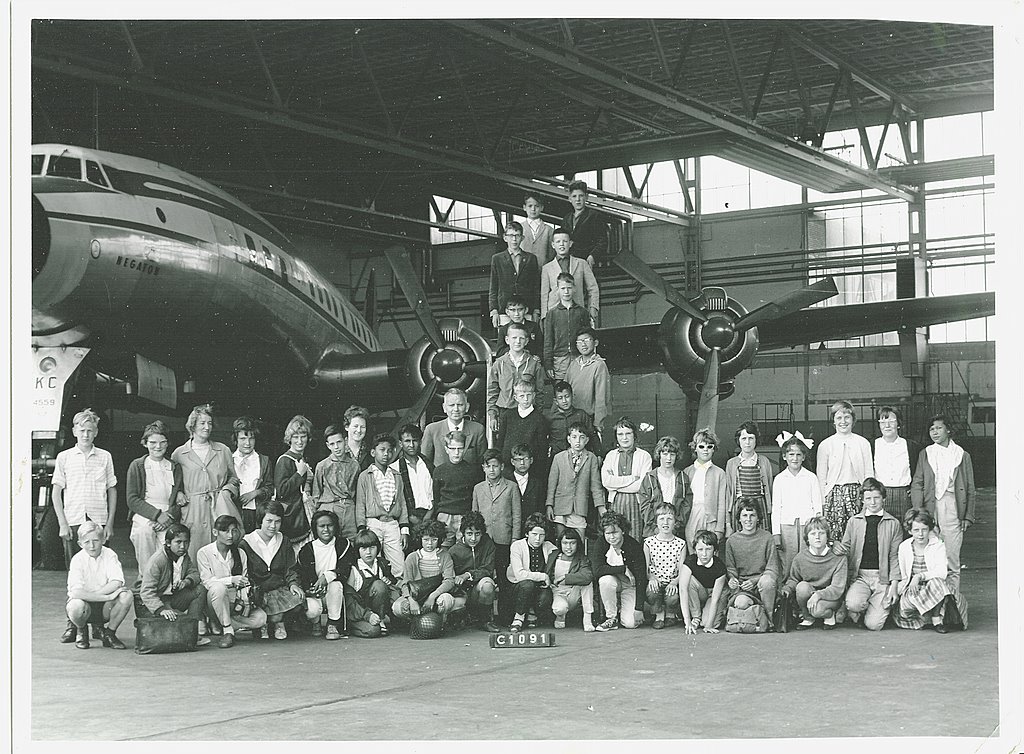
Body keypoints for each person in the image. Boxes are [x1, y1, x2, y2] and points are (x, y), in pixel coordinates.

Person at [910, 414, 976, 593]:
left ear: (948, 429)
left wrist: (968, 516)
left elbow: (970, 487)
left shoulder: (962, 455)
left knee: (952, 559)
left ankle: (952, 604)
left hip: (953, 508)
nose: (934, 432)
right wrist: (919, 512)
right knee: (931, 557)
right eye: (931, 429)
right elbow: (917, 483)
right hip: (930, 508)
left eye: (938, 428)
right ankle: (933, 603)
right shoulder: (926, 454)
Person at [172, 404, 241, 563]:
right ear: (193, 425)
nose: (207, 427)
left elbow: (234, 479)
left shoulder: (222, 450)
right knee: (194, 550)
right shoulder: (179, 453)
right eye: (202, 423)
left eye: (209, 423)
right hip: (192, 508)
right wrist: (179, 493)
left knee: (222, 548)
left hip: (219, 505)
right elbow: (173, 483)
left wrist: (227, 491)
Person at [832, 478, 903, 631]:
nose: (872, 502)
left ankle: (876, 607)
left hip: (882, 578)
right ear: (862, 500)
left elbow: (894, 556)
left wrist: (894, 585)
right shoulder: (854, 521)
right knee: (853, 603)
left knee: (874, 625)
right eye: (868, 499)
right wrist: (835, 544)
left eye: (876, 498)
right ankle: (861, 606)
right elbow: (846, 547)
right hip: (861, 577)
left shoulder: (893, 523)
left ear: (883, 498)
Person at [51, 408, 118, 562]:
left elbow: (112, 490)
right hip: (73, 520)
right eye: (82, 430)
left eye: (90, 430)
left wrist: (109, 524)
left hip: (99, 519)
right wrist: (63, 524)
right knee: (75, 567)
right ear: (74, 431)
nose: (85, 435)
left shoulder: (105, 457)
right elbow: (56, 493)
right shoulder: (64, 457)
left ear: (96, 432)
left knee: (101, 566)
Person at [196, 515, 268, 648]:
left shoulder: (240, 553)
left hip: (235, 603)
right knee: (219, 588)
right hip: (214, 601)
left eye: (233, 531)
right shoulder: (204, 552)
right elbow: (207, 581)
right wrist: (231, 580)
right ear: (215, 532)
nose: (230, 535)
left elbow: (245, 580)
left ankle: (220, 623)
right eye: (225, 531)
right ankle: (228, 629)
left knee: (261, 618)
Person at [126, 420, 183, 580]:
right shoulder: (137, 465)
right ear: (145, 443)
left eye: (162, 442)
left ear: (167, 443)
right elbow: (132, 499)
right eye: (153, 442)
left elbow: (181, 498)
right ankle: (146, 581)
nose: (158, 447)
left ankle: (165, 588)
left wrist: (169, 516)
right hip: (145, 513)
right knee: (144, 532)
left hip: (168, 516)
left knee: (166, 549)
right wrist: (157, 516)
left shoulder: (174, 467)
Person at [63, 521, 133, 650]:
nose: (92, 546)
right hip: (85, 605)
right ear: (80, 544)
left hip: (103, 608)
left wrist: (94, 596)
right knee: (75, 605)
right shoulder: (77, 559)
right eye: (87, 542)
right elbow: (76, 593)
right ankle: (81, 629)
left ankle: (109, 633)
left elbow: (117, 581)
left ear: (103, 540)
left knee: (126, 595)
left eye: (96, 540)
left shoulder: (110, 555)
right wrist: (107, 597)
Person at [135, 523, 210, 645]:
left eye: (186, 542)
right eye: (178, 542)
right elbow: (146, 592)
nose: (183, 546)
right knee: (176, 620)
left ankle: (192, 632)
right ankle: (185, 631)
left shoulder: (184, 556)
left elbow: (195, 574)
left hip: (172, 598)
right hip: (152, 603)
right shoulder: (158, 560)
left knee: (200, 589)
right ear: (168, 543)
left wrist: (187, 581)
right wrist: (161, 609)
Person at [241, 501, 306, 640]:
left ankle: (277, 623)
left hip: (279, 588)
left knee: (298, 600)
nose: (273, 526)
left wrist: (293, 584)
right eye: (269, 521)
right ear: (260, 520)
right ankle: (268, 623)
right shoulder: (246, 543)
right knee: (274, 613)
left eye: (277, 521)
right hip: (259, 591)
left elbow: (290, 568)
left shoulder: (283, 540)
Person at [894, 509, 966, 633]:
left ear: (930, 530)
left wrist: (919, 576)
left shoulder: (937, 545)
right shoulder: (904, 547)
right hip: (913, 590)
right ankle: (923, 617)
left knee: (938, 583)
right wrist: (896, 593)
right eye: (916, 530)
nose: (920, 534)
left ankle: (936, 618)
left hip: (933, 589)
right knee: (905, 606)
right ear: (910, 531)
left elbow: (942, 572)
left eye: (924, 530)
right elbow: (903, 576)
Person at [295, 509, 359, 640]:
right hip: (315, 594)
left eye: (330, 525)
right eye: (321, 526)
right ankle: (316, 622)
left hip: (335, 594)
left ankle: (332, 624)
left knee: (335, 585)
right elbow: (302, 575)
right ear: (315, 528)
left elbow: (345, 568)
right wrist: (311, 589)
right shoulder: (307, 550)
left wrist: (327, 576)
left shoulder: (343, 544)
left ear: (335, 526)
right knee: (312, 610)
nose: (326, 529)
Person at [473, 449, 522, 618]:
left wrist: (514, 539)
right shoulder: (478, 488)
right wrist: (477, 537)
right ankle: (484, 617)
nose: (492, 470)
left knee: (504, 578)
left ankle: (505, 616)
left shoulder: (511, 487)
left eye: (495, 466)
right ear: (483, 468)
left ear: (502, 467)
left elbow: (517, 515)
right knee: (485, 576)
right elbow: (475, 515)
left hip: (504, 538)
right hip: (485, 539)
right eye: (488, 466)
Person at [816, 400, 874, 543]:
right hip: (834, 497)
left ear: (853, 420)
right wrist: (822, 502)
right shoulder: (825, 445)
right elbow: (821, 477)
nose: (843, 421)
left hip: (857, 495)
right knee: (835, 538)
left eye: (847, 417)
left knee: (858, 536)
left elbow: (869, 473)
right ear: (833, 421)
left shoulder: (863, 443)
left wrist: (868, 497)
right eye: (839, 418)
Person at [355, 433, 409, 578]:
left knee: (399, 564)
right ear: (373, 452)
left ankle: (399, 594)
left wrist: (404, 529)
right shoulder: (365, 475)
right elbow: (360, 504)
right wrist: (362, 529)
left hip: (392, 523)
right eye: (382, 450)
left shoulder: (396, 476)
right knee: (373, 561)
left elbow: (402, 503)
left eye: (390, 450)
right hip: (373, 523)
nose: (386, 454)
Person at [779, 516, 847, 630]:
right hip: (810, 594)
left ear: (827, 536)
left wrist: (818, 595)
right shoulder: (800, 558)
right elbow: (794, 579)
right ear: (807, 538)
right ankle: (808, 618)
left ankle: (829, 615)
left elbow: (837, 588)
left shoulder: (838, 558)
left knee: (818, 609)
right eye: (813, 533)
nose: (817, 537)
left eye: (821, 533)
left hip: (831, 598)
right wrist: (787, 589)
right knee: (801, 587)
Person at [771, 436, 823, 577]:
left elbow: (817, 505)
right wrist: (776, 533)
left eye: (798, 454)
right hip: (786, 526)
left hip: (807, 526)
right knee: (788, 562)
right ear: (784, 456)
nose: (795, 458)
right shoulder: (780, 479)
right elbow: (776, 508)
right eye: (791, 454)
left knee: (807, 558)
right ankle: (787, 592)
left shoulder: (811, 477)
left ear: (804, 457)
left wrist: (817, 527)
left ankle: (806, 588)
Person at [546, 421, 605, 543]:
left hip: (579, 507)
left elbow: (596, 486)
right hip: (560, 505)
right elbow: (552, 484)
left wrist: (601, 507)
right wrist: (549, 505)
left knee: (579, 541)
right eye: (574, 437)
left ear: (587, 440)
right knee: (561, 541)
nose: (578, 441)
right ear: (568, 439)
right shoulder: (559, 457)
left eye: (582, 437)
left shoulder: (591, 458)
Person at [590, 511, 648, 631]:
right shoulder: (600, 544)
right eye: (608, 533)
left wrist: (639, 608)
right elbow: (597, 570)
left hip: (629, 585)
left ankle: (624, 609)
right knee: (605, 581)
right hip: (613, 581)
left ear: (623, 530)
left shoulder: (633, 546)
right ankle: (611, 618)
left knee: (630, 623)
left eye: (615, 532)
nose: (611, 537)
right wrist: (623, 569)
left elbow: (641, 578)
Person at [392, 519, 456, 625]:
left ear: (439, 539)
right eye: (426, 540)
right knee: (398, 608)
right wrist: (412, 601)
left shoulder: (445, 556)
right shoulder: (412, 557)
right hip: (416, 595)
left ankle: (438, 619)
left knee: (447, 601)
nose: (430, 544)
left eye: (434, 540)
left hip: (437, 595)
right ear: (420, 539)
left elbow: (449, 580)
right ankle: (414, 621)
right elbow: (405, 583)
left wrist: (432, 597)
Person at [487, 321, 545, 438]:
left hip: (527, 412)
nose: (518, 341)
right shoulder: (499, 364)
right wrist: (493, 415)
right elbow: (492, 391)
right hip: (505, 412)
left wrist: (537, 414)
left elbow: (540, 392)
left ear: (527, 341)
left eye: (521, 338)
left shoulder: (534, 364)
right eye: (514, 338)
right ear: (507, 340)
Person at [448, 512, 502, 633]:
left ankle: (485, 620)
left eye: (477, 534)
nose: (473, 538)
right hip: (462, 593)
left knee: (488, 585)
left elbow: (488, 569)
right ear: (463, 533)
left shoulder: (488, 544)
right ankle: (464, 616)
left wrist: (467, 575)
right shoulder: (454, 551)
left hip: (478, 587)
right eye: (469, 534)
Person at [724, 502, 780, 617]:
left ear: (758, 517)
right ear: (739, 518)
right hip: (743, 587)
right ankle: (758, 612)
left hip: (763, 585)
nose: (748, 519)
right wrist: (732, 579)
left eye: (752, 515)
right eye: (744, 515)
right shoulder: (732, 541)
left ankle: (769, 619)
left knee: (767, 582)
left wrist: (754, 581)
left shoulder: (767, 537)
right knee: (741, 603)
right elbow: (730, 568)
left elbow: (772, 569)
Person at [601, 417, 653, 541]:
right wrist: (632, 478)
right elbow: (606, 482)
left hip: (636, 502)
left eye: (628, 433)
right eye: (620, 434)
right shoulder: (611, 456)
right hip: (616, 501)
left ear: (634, 435)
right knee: (616, 535)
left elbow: (642, 485)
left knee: (635, 537)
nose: (624, 438)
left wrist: (617, 483)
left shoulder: (644, 456)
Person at [345, 528, 401, 638]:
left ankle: (380, 620)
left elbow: (390, 588)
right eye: (364, 548)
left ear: (378, 548)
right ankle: (352, 626)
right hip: (359, 613)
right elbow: (349, 600)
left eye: (372, 547)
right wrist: (367, 615)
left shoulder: (381, 564)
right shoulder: (354, 569)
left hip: (376, 612)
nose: (368, 552)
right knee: (373, 631)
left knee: (380, 585)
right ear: (358, 550)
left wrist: (388, 582)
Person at [432, 430, 484, 547]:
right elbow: (436, 496)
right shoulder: (439, 471)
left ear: (464, 449)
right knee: (443, 548)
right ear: (446, 449)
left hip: (464, 516)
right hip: (445, 516)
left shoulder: (473, 471)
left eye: (460, 449)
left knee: (463, 548)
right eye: (452, 449)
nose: (456, 453)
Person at [539, 227, 599, 325]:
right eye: (558, 242)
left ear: (570, 243)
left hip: (577, 311)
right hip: (554, 313)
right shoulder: (547, 268)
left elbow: (593, 288)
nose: (561, 244)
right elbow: (544, 294)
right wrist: (545, 317)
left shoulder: (581, 263)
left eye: (565, 241)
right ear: (553, 245)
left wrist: (593, 308)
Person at [507, 514, 556, 631]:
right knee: (527, 584)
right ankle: (519, 617)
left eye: (542, 535)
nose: (538, 539)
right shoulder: (517, 546)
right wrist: (543, 576)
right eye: (534, 534)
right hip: (519, 587)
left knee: (545, 598)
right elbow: (520, 575)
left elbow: (557, 554)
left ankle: (532, 612)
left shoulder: (548, 547)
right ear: (527, 534)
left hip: (538, 587)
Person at [564, 328, 611, 451]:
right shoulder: (573, 364)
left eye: (586, 340)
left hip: (588, 419)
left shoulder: (599, 365)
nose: (583, 344)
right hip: (571, 417)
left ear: (595, 343)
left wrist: (598, 424)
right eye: (579, 341)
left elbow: (602, 397)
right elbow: (564, 390)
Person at [313, 422, 361, 539]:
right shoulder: (322, 466)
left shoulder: (355, 465)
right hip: (328, 509)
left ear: (345, 440)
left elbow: (358, 493)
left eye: (339, 442)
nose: (336, 447)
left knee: (351, 543)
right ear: (328, 445)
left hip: (349, 510)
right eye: (332, 444)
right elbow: (316, 493)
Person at [682, 427, 729, 549]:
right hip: (692, 516)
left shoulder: (720, 473)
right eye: (702, 446)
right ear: (695, 448)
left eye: (710, 447)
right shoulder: (687, 472)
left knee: (710, 551)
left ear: (714, 449)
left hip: (711, 518)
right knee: (693, 550)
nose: (706, 450)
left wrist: (719, 528)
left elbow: (722, 504)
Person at [489, 220, 541, 328]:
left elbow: (536, 286)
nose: (514, 239)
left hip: (526, 310)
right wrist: (494, 311)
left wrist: (536, 310)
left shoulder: (531, 258)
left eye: (517, 236)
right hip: (504, 311)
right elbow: (493, 287)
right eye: (511, 235)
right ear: (505, 237)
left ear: (522, 238)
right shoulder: (497, 259)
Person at [274, 415, 315, 552]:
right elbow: (281, 491)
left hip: (305, 512)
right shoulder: (285, 460)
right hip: (294, 517)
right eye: (295, 437)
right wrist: (299, 474)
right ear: (289, 439)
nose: (299, 441)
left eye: (303, 436)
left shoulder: (301, 458)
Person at [724, 421, 774, 534]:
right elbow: (729, 494)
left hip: (760, 507)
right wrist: (728, 523)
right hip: (740, 508)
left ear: (756, 440)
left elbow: (770, 489)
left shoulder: (764, 461)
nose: (747, 442)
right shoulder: (731, 463)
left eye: (751, 438)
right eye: (744, 438)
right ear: (738, 440)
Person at [391, 424, 434, 553]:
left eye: (415, 440)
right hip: (409, 519)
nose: (411, 445)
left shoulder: (428, 465)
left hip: (430, 516)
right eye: (407, 441)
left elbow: (434, 492)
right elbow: (397, 499)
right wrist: (411, 517)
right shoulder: (395, 468)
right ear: (400, 443)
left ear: (420, 441)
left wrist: (429, 515)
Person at [873, 406, 921, 520]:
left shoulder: (911, 446)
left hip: (904, 495)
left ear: (898, 424)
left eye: (891, 421)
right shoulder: (872, 445)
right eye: (883, 421)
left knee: (905, 530)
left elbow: (918, 474)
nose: (887, 425)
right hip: (881, 495)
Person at [643, 504, 687, 629]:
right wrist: (651, 578)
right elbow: (645, 567)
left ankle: (671, 613)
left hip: (671, 581)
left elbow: (681, 569)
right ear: (656, 522)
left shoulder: (680, 544)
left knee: (672, 597)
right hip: (656, 581)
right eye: (661, 519)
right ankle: (659, 614)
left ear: (675, 522)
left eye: (669, 519)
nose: (665, 522)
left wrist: (675, 582)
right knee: (652, 592)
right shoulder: (649, 542)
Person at [637, 435, 689, 540]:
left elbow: (686, 504)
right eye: (665, 454)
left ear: (676, 456)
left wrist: (676, 525)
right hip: (653, 531)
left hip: (676, 531)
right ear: (659, 454)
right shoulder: (649, 477)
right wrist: (655, 526)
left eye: (672, 454)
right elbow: (644, 505)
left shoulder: (683, 477)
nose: (668, 458)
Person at [497, 377, 551, 474]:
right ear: (515, 397)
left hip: (530, 468)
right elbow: (500, 441)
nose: (526, 399)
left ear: (534, 395)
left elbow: (542, 448)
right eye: (522, 396)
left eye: (529, 395)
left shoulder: (539, 418)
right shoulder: (507, 415)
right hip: (509, 466)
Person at [421, 388, 487, 467]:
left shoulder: (477, 430)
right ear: (444, 408)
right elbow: (425, 464)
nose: (456, 409)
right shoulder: (432, 430)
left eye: (460, 405)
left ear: (467, 407)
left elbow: (482, 463)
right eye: (451, 405)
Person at [543, 272, 590, 382]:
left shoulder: (582, 312)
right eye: (563, 288)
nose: (566, 291)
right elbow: (548, 340)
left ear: (574, 288)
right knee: (561, 391)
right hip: (559, 359)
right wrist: (548, 364)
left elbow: (588, 338)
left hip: (579, 356)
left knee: (580, 388)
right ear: (557, 289)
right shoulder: (552, 313)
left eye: (569, 288)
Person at [545, 527, 595, 630]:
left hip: (574, 593)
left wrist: (565, 577)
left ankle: (587, 618)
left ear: (577, 544)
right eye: (565, 543)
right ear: (560, 543)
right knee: (559, 609)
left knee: (587, 584)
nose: (568, 547)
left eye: (572, 543)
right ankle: (560, 616)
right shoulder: (553, 556)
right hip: (558, 592)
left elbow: (587, 576)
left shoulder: (582, 558)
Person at [679, 530, 728, 634]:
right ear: (695, 550)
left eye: (708, 549)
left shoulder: (720, 567)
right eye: (700, 549)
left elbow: (715, 599)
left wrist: (709, 626)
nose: (704, 554)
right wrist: (687, 621)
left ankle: (719, 614)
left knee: (707, 623)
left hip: (713, 593)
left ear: (715, 551)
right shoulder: (690, 561)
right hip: (700, 590)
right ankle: (696, 616)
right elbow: (683, 590)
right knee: (689, 581)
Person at [232, 416, 275, 533]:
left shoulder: (263, 461)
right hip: (236, 512)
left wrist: (255, 493)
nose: (247, 443)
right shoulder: (229, 460)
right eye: (242, 439)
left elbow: (270, 488)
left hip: (257, 513)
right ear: (236, 440)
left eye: (251, 438)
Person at [561, 179, 609, 268]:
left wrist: (592, 256)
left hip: (587, 262)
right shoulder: (566, 218)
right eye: (574, 196)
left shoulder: (594, 216)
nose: (578, 199)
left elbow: (602, 241)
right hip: (569, 262)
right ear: (569, 199)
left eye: (581, 196)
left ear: (586, 197)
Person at [547, 380, 594, 457]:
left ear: (572, 396)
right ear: (555, 401)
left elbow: (592, 435)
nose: (564, 401)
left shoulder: (581, 415)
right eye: (560, 398)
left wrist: (599, 455)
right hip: (557, 456)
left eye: (567, 396)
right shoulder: (550, 418)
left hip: (579, 456)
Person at [506, 444, 547, 524]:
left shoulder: (537, 484)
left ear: (531, 460)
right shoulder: (506, 481)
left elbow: (540, 509)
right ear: (512, 462)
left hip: (531, 527)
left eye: (526, 459)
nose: (522, 463)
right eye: (518, 459)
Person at [495, 295, 543, 359]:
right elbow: (499, 352)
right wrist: (519, 351)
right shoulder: (503, 330)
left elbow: (540, 347)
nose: (516, 314)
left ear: (526, 310)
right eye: (513, 310)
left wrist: (538, 357)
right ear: (507, 312)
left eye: (520, 309)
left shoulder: (534, 327)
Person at [519, 192, 554, 265]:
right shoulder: (519, 228)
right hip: (523, 272)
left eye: (537, 206)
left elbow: (551, 254)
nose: (533, 209)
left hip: (543, 271)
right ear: (524, 207)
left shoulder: (549, 230)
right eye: (530, 206)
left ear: (542, 208)